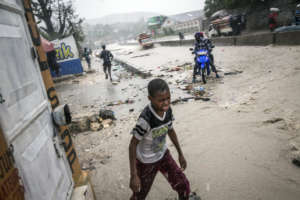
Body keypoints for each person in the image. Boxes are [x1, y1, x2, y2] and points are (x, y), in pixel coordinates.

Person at [129, 79, 191, 200]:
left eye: (168, 98)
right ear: (150, 98)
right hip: (146, 163)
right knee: (139, 195)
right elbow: (132, 145)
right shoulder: (145, 120)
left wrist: (180, 154)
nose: (166, 103)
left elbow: (171, 130)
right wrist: (133, 175)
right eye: (161, 100)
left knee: (183, 185)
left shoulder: (167, 111)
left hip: (163, 155)